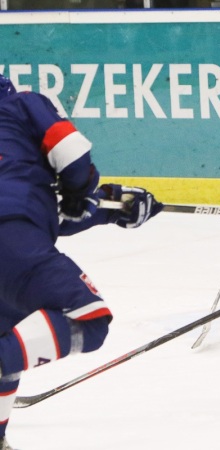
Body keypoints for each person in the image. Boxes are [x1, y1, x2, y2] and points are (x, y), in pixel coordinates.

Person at [0, 74, 162, 450]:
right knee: (88, 320)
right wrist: (81, 191)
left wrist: (109, 207)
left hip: (13, 241)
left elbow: (39, 213)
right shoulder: (20, 104)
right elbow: (70, 152)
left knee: (8, 335)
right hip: (11, 237)